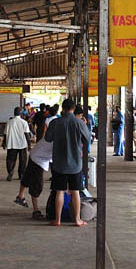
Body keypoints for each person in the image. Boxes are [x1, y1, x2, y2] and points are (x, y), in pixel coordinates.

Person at [46, 97, 91, 227]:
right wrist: (84, 124)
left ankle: (58, 220)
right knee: (75, 191)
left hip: (59, 164)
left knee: (59, 191)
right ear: (73, 109)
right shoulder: (79, 122)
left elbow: (48, 139)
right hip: (75, 164)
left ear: (63, 109)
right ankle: (77, 220)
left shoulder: (55, 123)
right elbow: (87, 138)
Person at [17, 130, 53, 220]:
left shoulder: (53, 135)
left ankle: (20, 196)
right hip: (38, 160)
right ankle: (35, 211)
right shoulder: (57, 140)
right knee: (37, 185)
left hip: (35, 155)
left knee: (28, 176)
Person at [4, 106, 31, 181]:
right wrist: (29, 145)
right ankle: (21, 175)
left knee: (10, 160)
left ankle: (10, 172)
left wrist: (4, 143)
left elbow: (5, 134)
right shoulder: (24, 122)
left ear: (14, 113)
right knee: (23, 160)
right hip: (22, 144)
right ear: (21, 114)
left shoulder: (9, 122)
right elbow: (27, 135)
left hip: (12, 144)